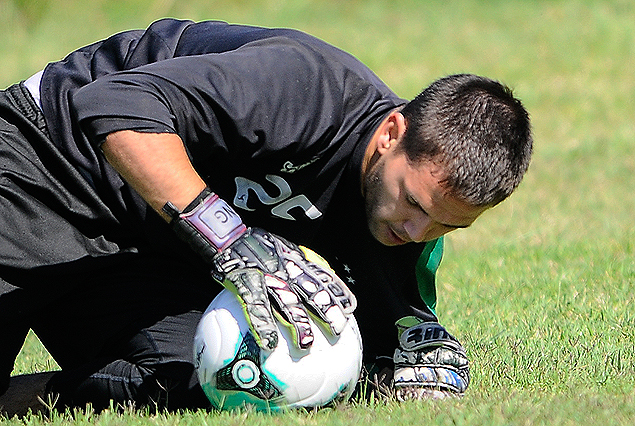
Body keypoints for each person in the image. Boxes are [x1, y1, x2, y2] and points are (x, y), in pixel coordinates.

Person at [0, 18, 532, 416]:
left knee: (227, 381)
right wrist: (226, 238)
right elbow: (112, 104)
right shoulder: (308, 89)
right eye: (414, 203)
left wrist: (409, 374)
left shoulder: (401, 225)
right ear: (391, 134)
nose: (418, 232)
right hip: (43, 166)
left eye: (447, 226)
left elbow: (396, 338)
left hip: (151, 246)